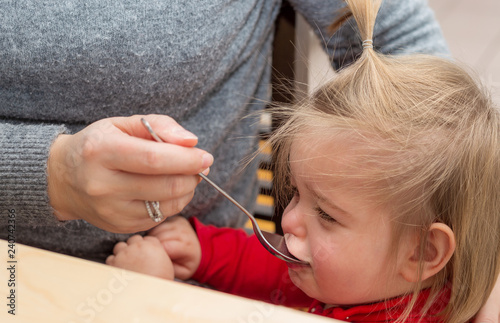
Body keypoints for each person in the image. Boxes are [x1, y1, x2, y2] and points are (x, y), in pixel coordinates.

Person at [0, 0, 498, 320]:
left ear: (424, 252)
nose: (289, 218)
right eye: (295, 194)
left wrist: (157, 302)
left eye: (326, 213)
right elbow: (271, 267)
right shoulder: (357, 270)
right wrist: (202, 249)